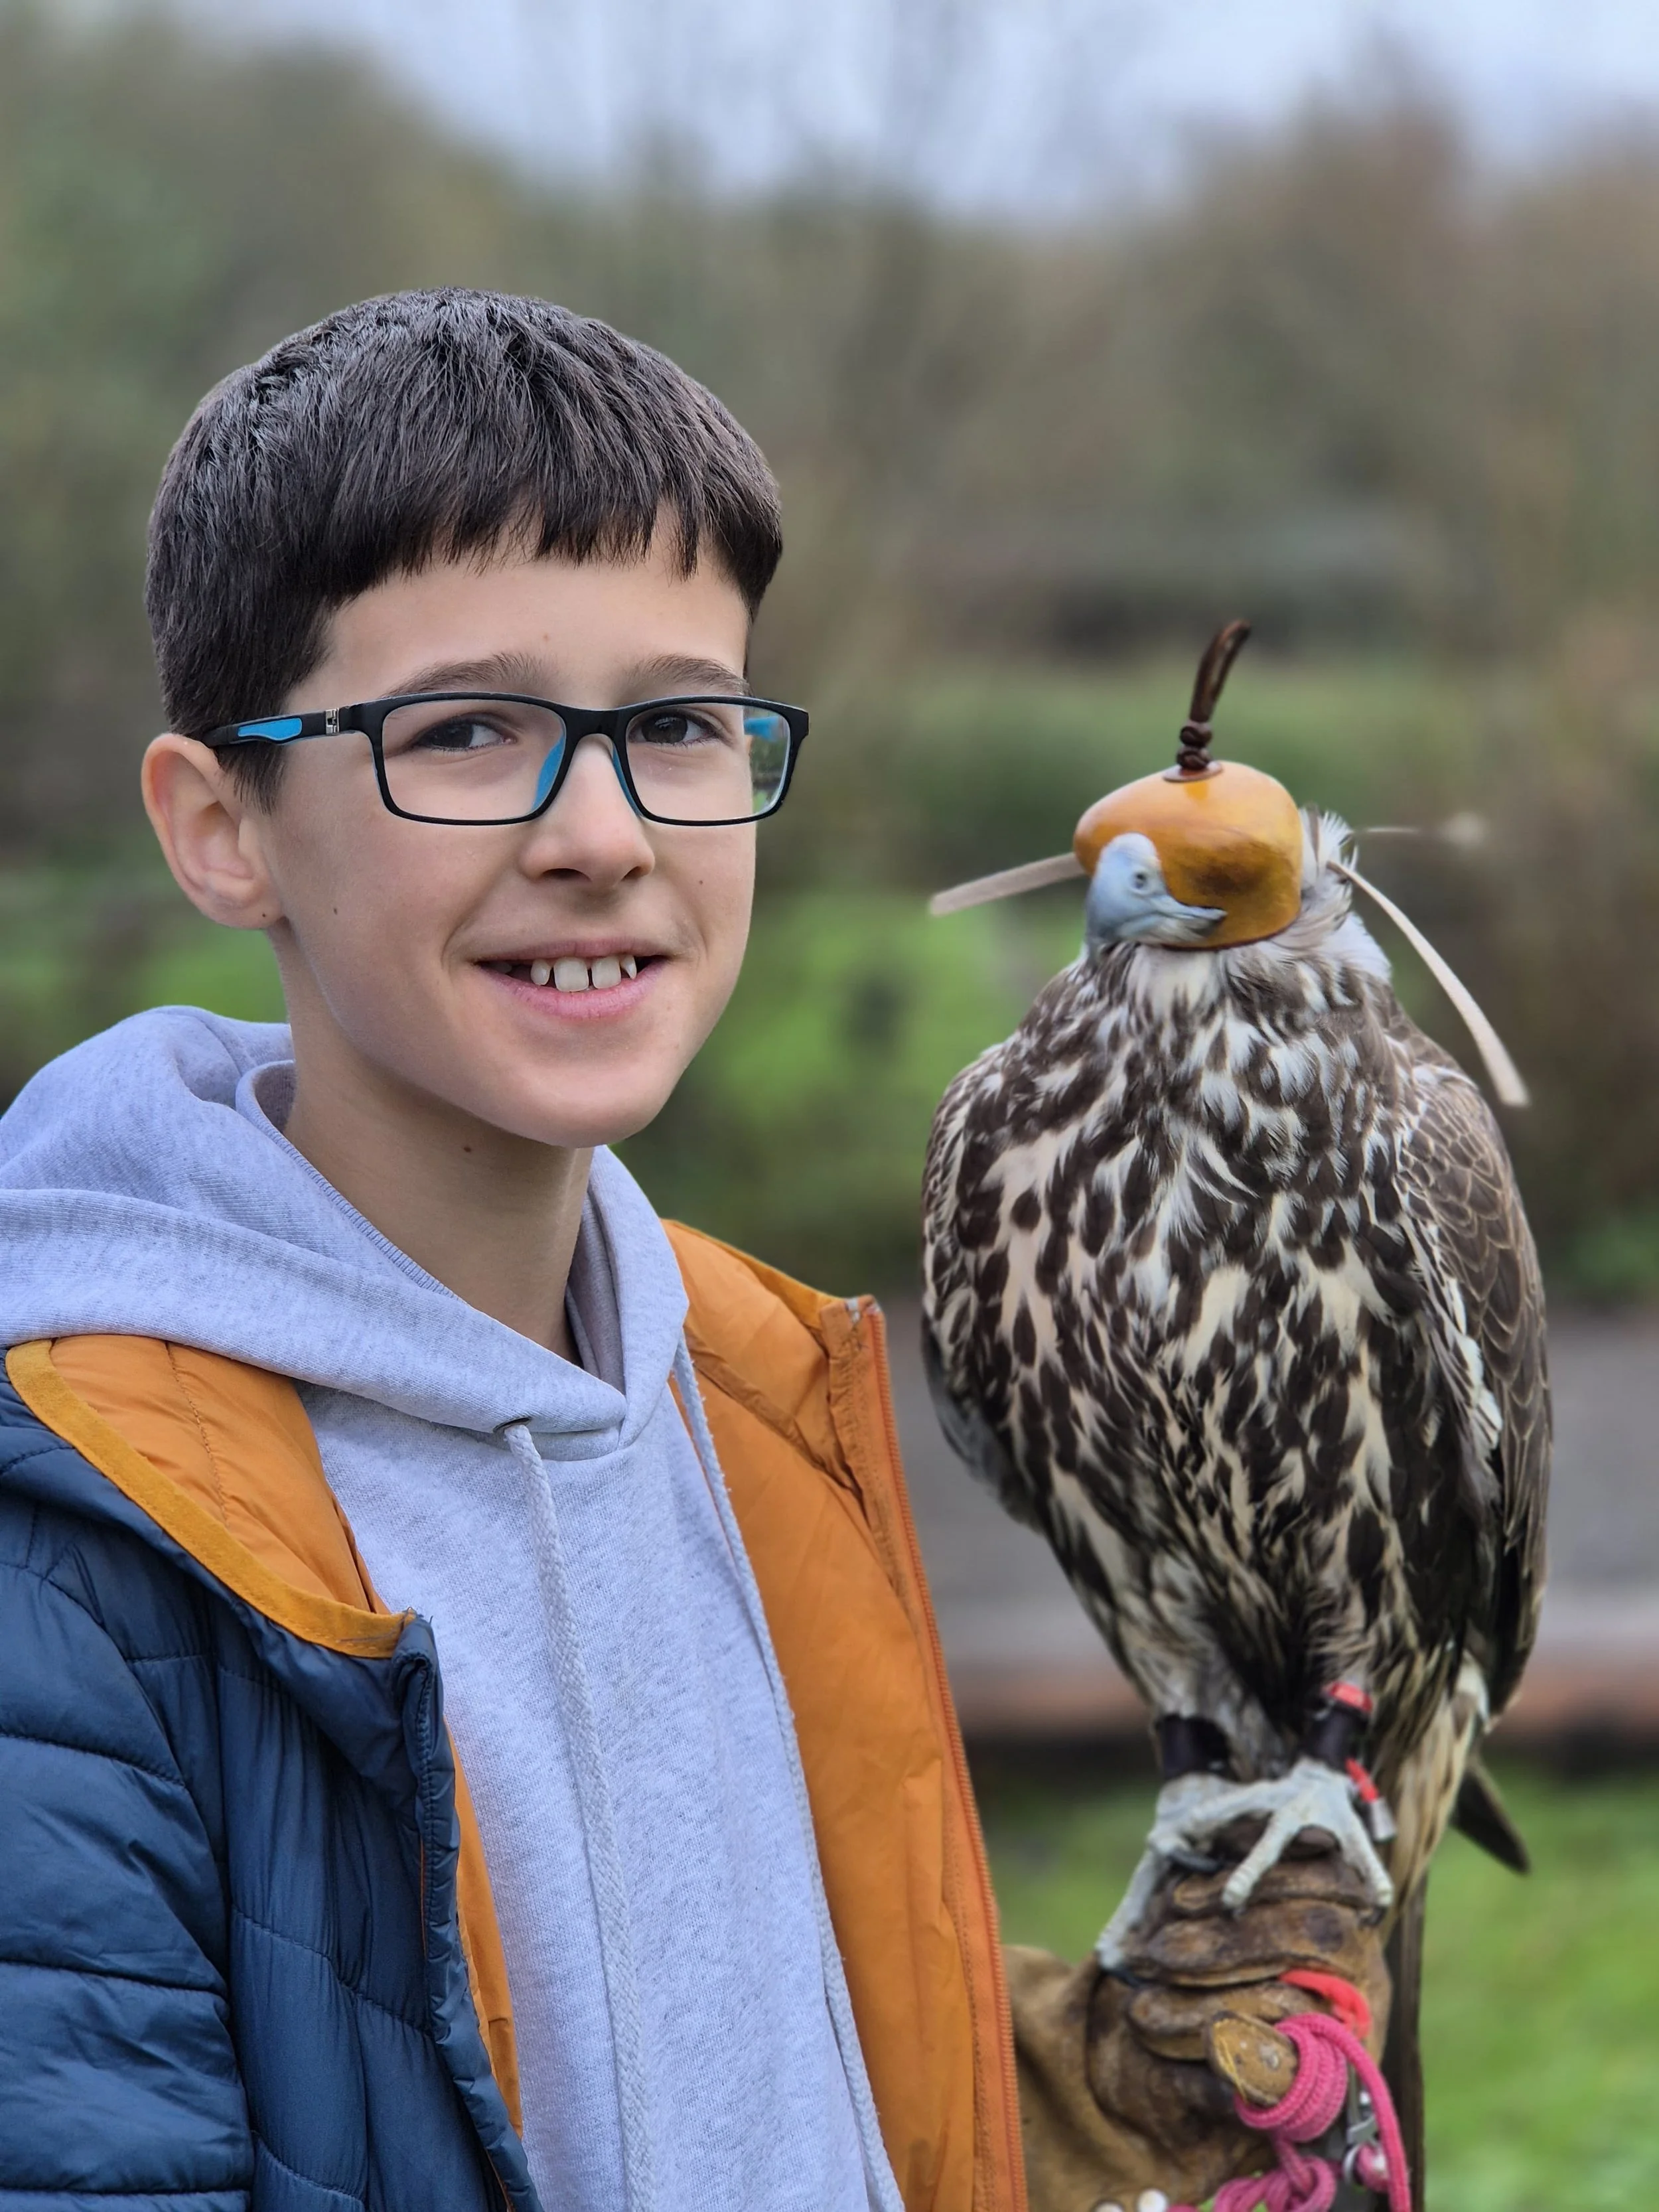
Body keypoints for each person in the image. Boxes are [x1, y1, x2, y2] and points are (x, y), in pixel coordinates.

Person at [0, 289, 1384, 2212]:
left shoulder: (758, 1394)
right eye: (464, 732)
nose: (604, 833)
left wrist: (1060, 2116)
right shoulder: (75, 1547)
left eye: (675, 724)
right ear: (223, 825)